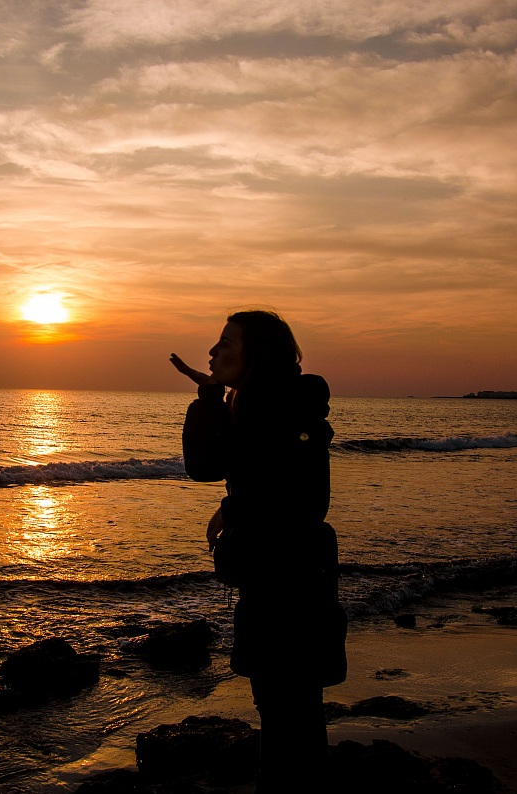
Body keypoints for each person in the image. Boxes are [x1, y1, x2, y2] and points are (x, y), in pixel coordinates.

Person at [171, 309, 347, 791]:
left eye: (225, 343)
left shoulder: (267, 406)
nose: (212, 352)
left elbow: (204, 463)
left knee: (286, 710)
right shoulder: (274, 403)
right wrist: (233, 507)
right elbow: (275, 478)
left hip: (285, 586)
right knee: (293, 711)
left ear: (257, 353)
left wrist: (206, 394)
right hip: (293, 578)